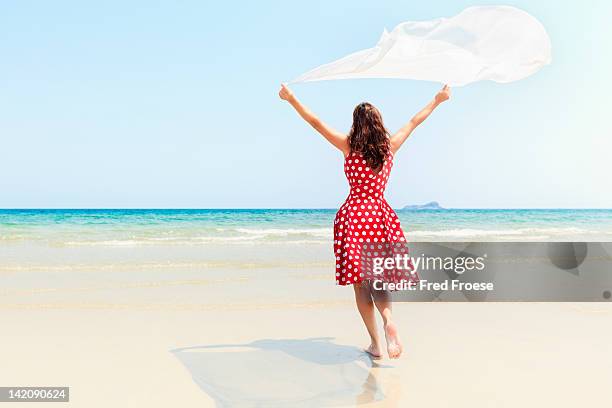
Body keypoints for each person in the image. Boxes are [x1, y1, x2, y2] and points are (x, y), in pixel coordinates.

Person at [279, 83, 451, 359]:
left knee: (361, 284)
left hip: (355, 216)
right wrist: (438, 99)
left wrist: (291, 99)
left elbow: (315, 122)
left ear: (356, 125)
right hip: (380, 217)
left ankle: (375, 344)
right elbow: (413, 121)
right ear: (378, 123)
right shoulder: (389, 147)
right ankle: (388, 322)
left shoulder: (348, 145)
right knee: (379, 281)